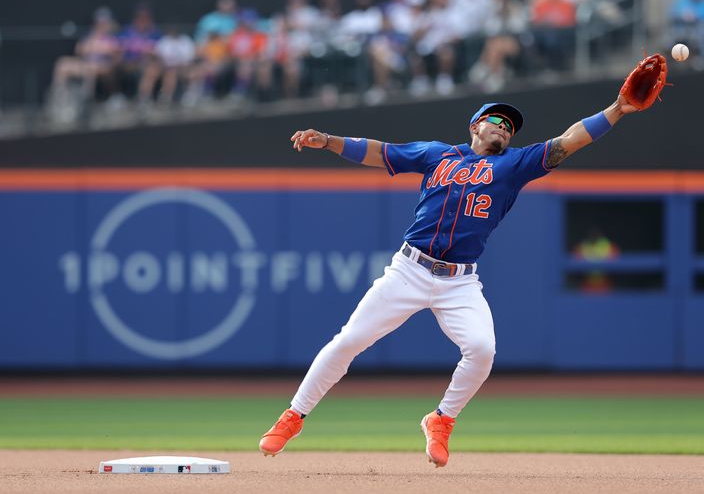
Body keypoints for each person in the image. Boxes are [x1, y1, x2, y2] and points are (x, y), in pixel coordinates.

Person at [258, 89, 648, 467]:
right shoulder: (437, 154)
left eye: (510, 127)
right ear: (475, 126)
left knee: (481, 350)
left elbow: (568, 140)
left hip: (459, 281)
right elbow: (381, 151)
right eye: (497, 121)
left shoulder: (514, 165)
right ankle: (294, 415)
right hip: (409, 269)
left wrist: (615, 109)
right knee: (350, 340)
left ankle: (441, 419)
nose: (504, 128)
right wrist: (328, 141)